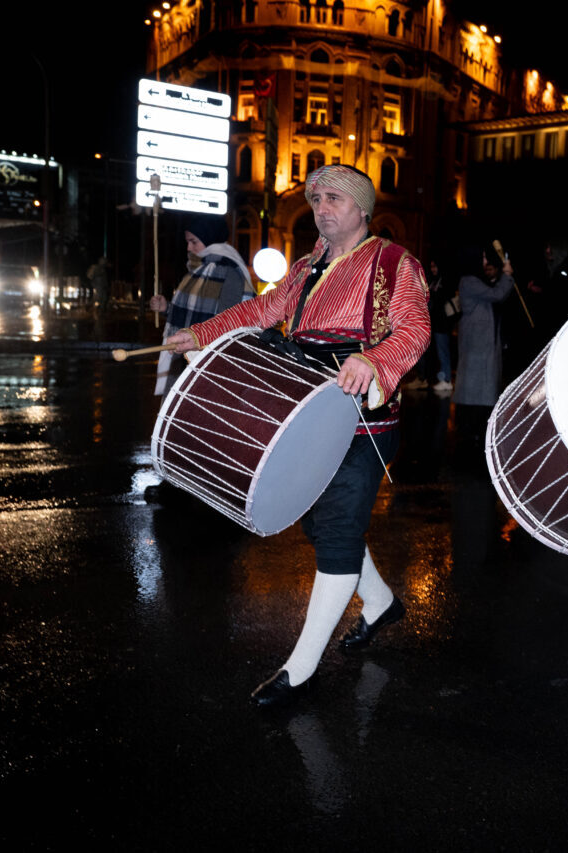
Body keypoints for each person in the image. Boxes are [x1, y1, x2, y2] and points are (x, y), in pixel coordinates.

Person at [163, 164, 430, 708]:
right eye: (316, 199)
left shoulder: (394, 263)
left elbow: (415, 330)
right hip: (307, 410)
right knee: (322, 520)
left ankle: (300, 671)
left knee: (334, 529)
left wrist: (374, 360)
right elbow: (261, 311)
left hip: (363, 420)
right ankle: (379, 604)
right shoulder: (307, 266)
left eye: (334, 198)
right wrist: (201, 332)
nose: (322, 207)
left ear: (361, 209)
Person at [150, 216, 256, 396]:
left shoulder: (230, 274)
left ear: (209, 238)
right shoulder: (198, 270)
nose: (189, 248)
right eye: (187, 242)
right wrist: (166, 308)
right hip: (184, 360)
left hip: (208, 368)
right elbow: (190, 315)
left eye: (193, 242)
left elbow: (229, 324)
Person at [451, 245, 513, 445]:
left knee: (479, 387)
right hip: (477, 344)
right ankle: (471, 431)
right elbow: (497, 294)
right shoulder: (469, 281)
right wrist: (507, 275)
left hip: (480, 342)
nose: (485, 262)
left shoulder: (473, 281)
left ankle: (474, 430)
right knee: (476, 387)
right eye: (483, 257)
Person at [425, 258, 457, 392]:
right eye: (431, 266)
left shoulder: (445, 280)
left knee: (443, 351)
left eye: (435, 266)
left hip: (442, 322)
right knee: (438, 352)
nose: (433, 269)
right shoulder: (433, 280)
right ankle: (441, 377)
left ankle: (447, 379)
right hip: (434, 321)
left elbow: (444, 299)